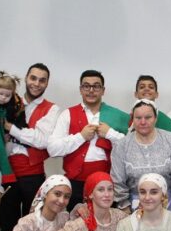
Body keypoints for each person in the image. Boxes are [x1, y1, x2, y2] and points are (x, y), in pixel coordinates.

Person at [47, 70, 128, 211]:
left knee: (106, 222)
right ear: (80, 89)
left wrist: (110, 134)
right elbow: (53, 149)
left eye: (96, 86)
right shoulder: (67, 114)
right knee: (75, 221)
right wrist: (81, 137)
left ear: (103, 90)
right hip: (75, 183)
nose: (91, 90)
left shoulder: (117, 115)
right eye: (86, 86)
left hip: (107, 182)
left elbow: (130, 148)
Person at [0, 62, 60, 231]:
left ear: (47, 83)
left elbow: (41, 140)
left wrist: (10, 128)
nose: (37, 83)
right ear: (26, 78)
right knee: (7, 227)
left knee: (33, 225)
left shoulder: (51, 108)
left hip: (33, 174)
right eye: (33, 78)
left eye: (42, 80)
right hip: (6, 172)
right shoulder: (7, 99)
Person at [110, 99, 171, 215]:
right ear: (132, 119)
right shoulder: (122, 145)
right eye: (138, 118)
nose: (143, 122)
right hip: (134, 209)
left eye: (148, 117)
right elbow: (117, 180)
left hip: (169, 207)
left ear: (155, 118)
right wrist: (125, 208)